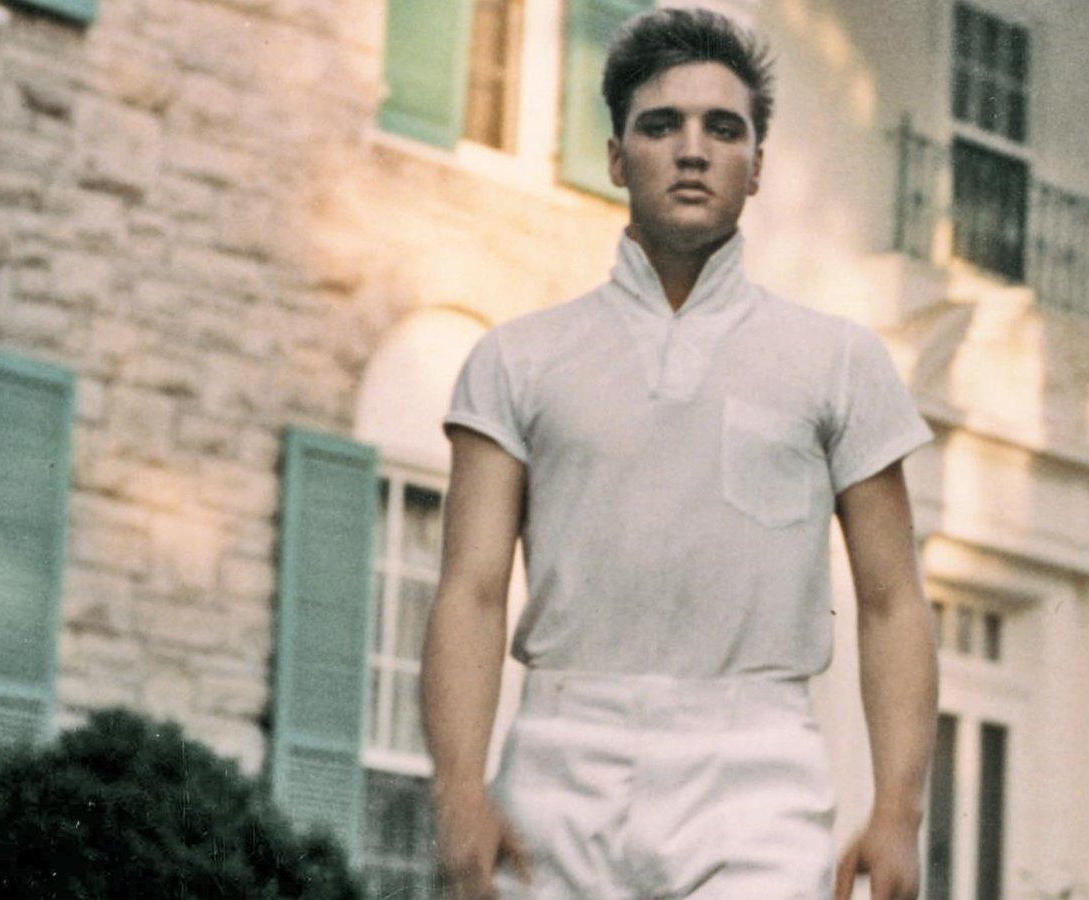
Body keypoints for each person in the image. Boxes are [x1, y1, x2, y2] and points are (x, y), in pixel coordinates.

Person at [421, 8, 938, 900]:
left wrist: (898, 809)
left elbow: (892, 601)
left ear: (758, 165)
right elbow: (470, 589)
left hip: (758, 774)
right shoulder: (517, 360)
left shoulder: (839, 361)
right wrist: (458, 785)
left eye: (723, 129)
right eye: (661, 125)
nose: (692, 151)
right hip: (561, 762)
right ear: (617, 158)